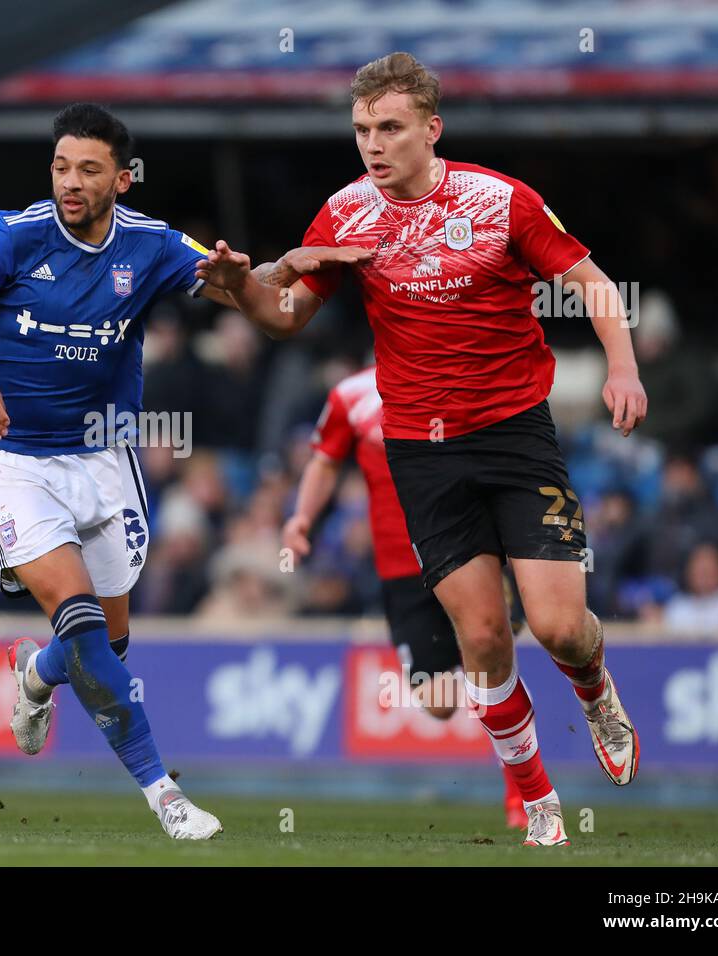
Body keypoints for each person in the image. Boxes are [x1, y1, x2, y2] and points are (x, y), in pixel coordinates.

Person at [197, 52, 648, 846]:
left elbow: (594, 284)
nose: (373, 144)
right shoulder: (342, 213)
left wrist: (622, 364)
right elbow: (286, 316)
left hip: (515, 438)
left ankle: (594, 688)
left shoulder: (499, 199)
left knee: (559, 628)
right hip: (421, 452)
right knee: (480, 637)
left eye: (390, 128)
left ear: (430, 129)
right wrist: (238, 285)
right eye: (363, 129)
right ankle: (537, 802)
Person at [0, 103, 252, 839]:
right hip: (10, 461)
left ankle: (36, 674)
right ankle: (167, 796)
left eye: (89, 169)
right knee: (86, 625)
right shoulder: (13, 234)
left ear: (121, 179)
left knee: (109, 644)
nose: (71, 181)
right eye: (61, 166)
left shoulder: (152, 245)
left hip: (103, 458)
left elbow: (241, 288)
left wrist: (255, 274)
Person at [285, 366, 528, 828]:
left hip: (467, 554)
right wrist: (301, 519)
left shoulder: (455, 378)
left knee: (492, 663)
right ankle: (490, 685)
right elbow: (325, 459)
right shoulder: (350, 396)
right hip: (401, 567)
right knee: (439, 703)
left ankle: (523, 793)